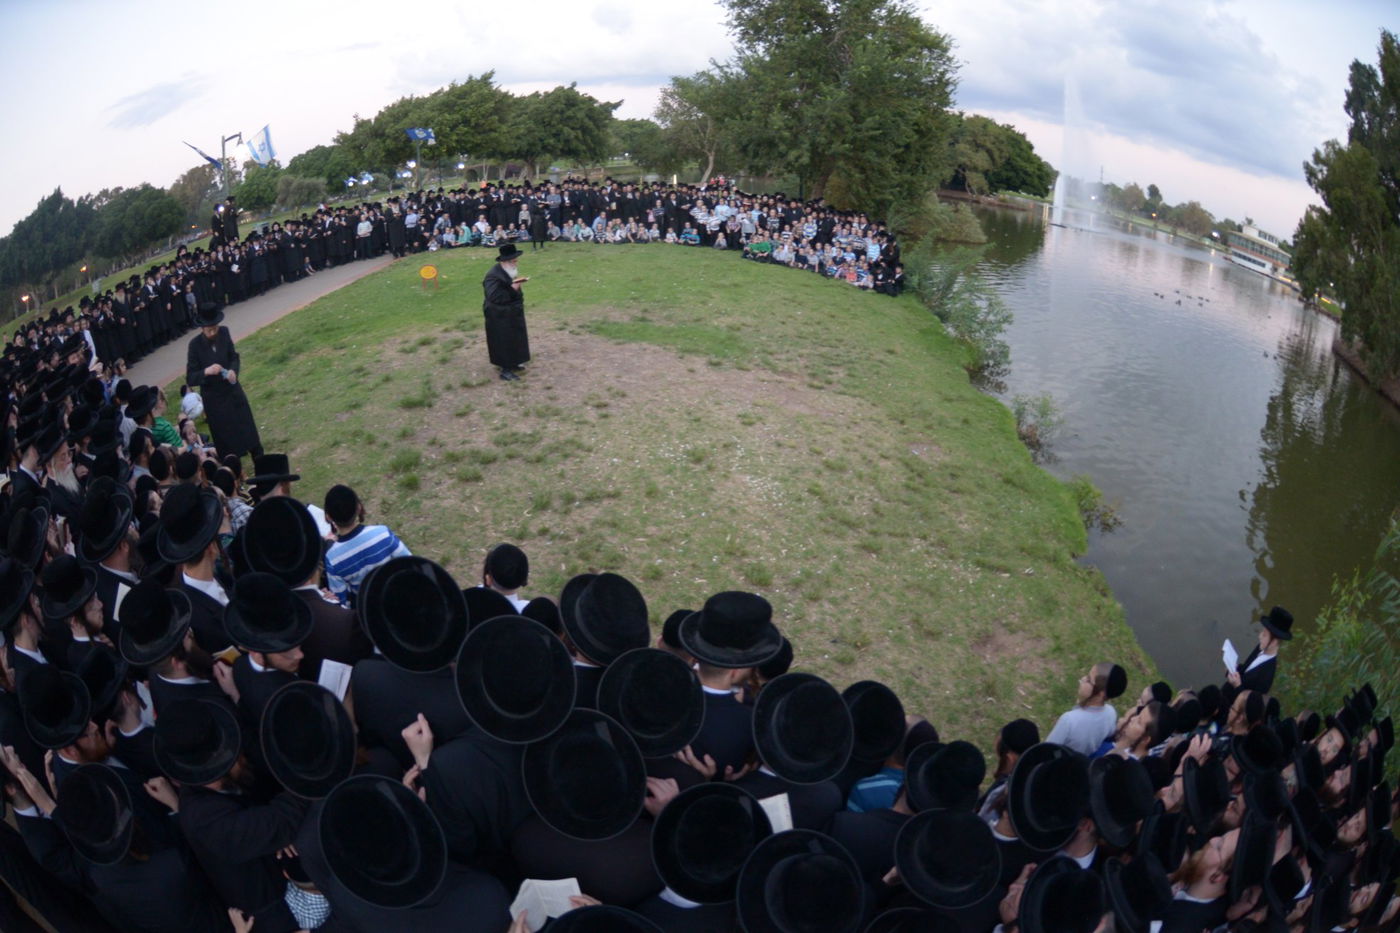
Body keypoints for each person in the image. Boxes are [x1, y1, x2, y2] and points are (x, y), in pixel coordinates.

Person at [184, 304, 262, 461]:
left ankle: (259, 459)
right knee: (227, 440)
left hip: (233, 393)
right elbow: (191, 377)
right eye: (209, 330)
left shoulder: (224, 333)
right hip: (215, 400)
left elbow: (234, 356)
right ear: (202, 328)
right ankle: (234, 468)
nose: (213, 332)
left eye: (215, 328)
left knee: (248, 430)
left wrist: (233, 371)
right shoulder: (194, 346)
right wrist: (206, 371)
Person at [481, 243, 531, 381]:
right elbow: (495, 297)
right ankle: (505, 370)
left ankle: (514, 362)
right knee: (503, 341)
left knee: (515, 338)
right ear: (505, 262)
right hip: (498, 315)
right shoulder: (492, 276)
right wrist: (513, 288)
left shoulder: (507, 271)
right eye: (514, 261)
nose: (516, 263)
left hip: (511, 312)